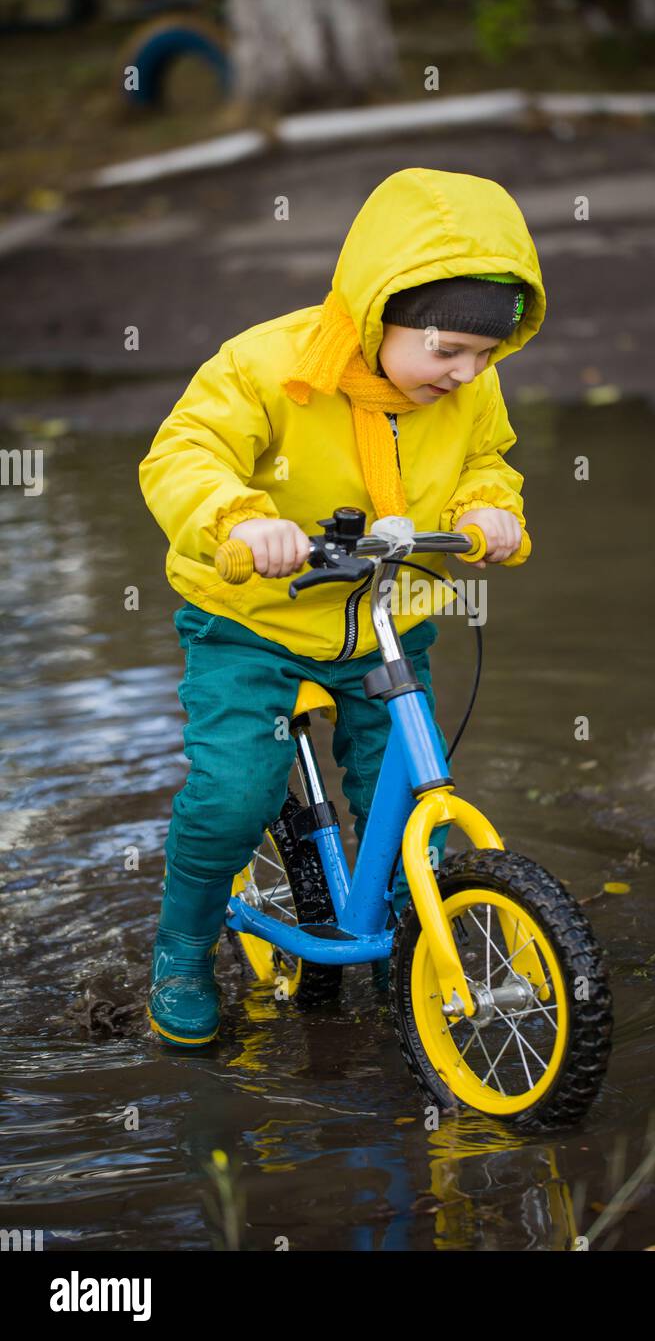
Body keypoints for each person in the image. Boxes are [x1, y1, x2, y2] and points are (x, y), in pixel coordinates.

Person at [139, 166, 546, 1046]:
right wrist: (245, 520)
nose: (467, 372)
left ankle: (418, 941)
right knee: (234, 790)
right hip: (253, 619)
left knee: (401, 787)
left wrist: (492, 510)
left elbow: (490, 458)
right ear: (379, 312)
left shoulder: (470, 385)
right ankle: (180, 949)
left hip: (382, 619)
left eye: (486, 356)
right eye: (447, 351)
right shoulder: (267, 366)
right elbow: (184, 453)